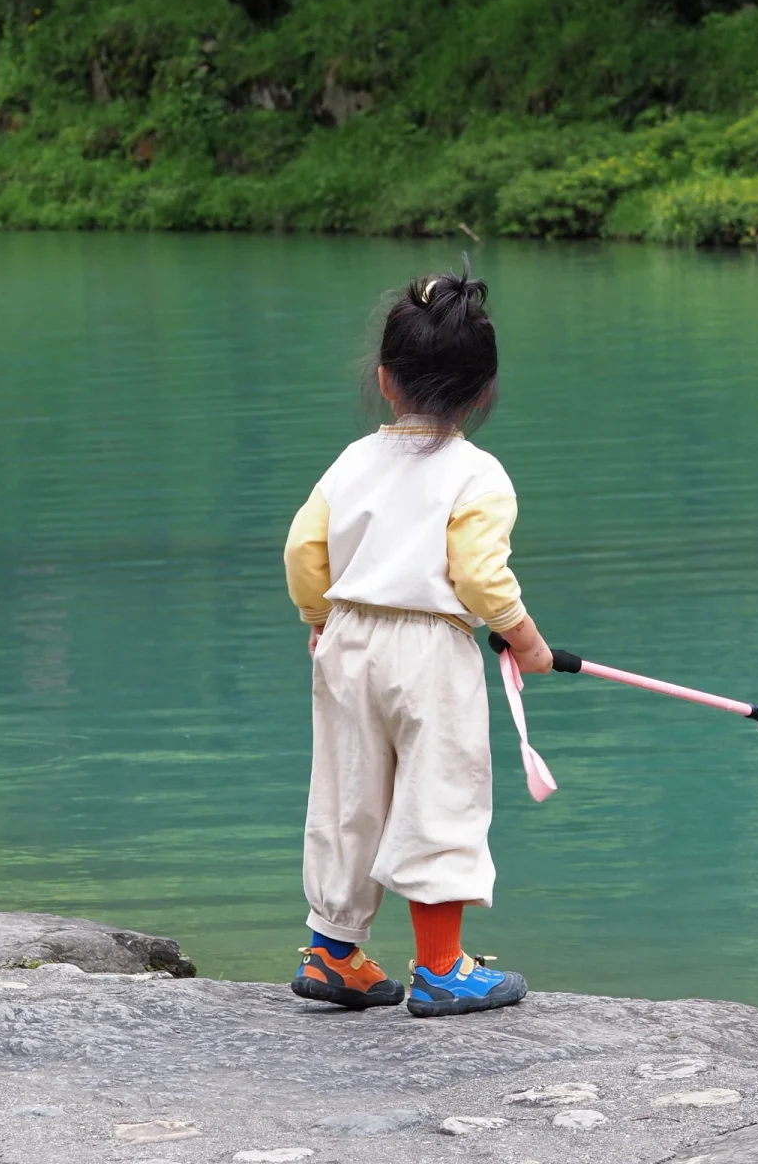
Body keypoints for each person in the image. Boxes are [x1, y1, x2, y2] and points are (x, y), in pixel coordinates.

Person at [283, 260, 552, 1018]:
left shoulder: (351, 461)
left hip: (348, 641)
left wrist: (319, 619)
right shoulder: (478, 474)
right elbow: (479, 576)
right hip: (431, 650)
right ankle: (440, 968)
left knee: (346, 796)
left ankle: (333, 954)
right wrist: (525, 640)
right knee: (442, 795)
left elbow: (304, 549)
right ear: (483, 390)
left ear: (385, 380)